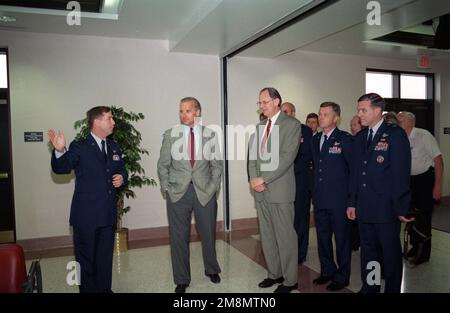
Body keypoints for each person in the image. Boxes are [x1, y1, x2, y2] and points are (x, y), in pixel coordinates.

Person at [48, 106, 128, 293]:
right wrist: (59, 150)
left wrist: (122, 177)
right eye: (109, 118)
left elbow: (122, 169)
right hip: (86, 217)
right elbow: (62, 167)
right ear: (97, 122)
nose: (113, 122)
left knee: (104, 259)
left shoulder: (114, 146)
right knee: (85, 262)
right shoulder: (80, 146)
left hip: (107, 215)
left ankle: (104, 290)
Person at [347, 93, 413, 293]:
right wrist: (352, 202)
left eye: (363, 110)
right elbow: (355, 174)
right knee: (369, 252)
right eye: (358, 110)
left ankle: (392, 290)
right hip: (365, 208)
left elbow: (401, 174)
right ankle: (371, 286)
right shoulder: (360, 137)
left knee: (390, 254)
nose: (359, 114)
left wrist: (402, 207)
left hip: (386, 208)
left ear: (377, 111)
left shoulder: (395, 134)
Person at [157, 97, 223, 293]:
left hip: (205, 192)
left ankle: (212, 269)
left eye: (187, 110)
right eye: (181, 111)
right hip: (178, 193)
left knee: (208, 233)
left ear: (197, 112)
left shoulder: (210, 135)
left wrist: (212, 189)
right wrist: (167, 188)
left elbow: (217, 166)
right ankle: (182, 279)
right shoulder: (171, 135)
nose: (183, 114)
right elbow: (163, 165)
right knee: (178, 236)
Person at [249, 87, 301, 293]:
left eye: (264, 102)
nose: (261, 106)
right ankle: (274, 273)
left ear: (276, 101)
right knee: (268, 236)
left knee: (285, 236)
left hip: (280, 191)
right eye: (259, 103)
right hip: (260, 191)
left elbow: (287, 157)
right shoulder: (260, 126)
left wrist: (265, 178)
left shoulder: (291, 124)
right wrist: (254, 179)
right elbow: (252, 157)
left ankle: (290, 280)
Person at [311, 102, 353, 291]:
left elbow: (353, 172)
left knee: (342, 240)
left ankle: (343, 276)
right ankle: (327, 270)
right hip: (320, 199)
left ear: (336, 118)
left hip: (339, 201)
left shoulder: (344, 139)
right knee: (323, 238)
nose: (321, 118)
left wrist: (352, 201)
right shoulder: (316, 139)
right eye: (320, 114)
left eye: (325, 114)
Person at [397, 111, 444, 265]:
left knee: (424, 217)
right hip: (408, 181)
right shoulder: (400, 137)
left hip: (424, 180)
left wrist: (437, 186)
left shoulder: (424, 136)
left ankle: (424, 253)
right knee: (411, 215)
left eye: (400, 120)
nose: (398, 122)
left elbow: (438, 161)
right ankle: (414, 246)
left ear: (410, 122)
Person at [280, 102, 313, 264]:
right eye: (281, 111)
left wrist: (286, 170)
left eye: (286, 111)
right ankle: (286, 251)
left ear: (293, 112)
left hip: (299, 181)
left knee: (300, 218)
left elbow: (306, 156)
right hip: (282, 183)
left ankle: (300, 253)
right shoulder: (278, 130)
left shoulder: (305, 130)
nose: (283, 114)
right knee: (285, 219)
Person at [349, 115, 363, 251]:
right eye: (351, 125)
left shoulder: (364, 142)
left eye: (355, 124)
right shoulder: (350, 141)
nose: (352, 127)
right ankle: (354, 242)